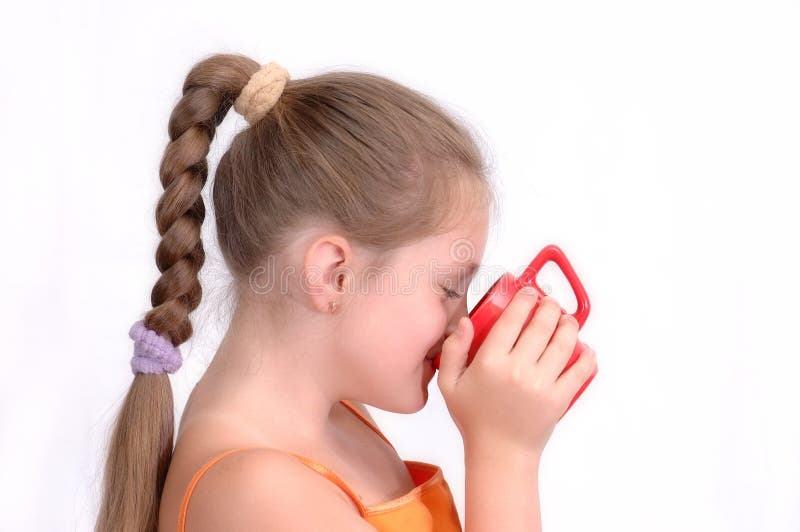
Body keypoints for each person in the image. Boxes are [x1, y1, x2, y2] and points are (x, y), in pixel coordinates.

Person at [94, 55, 597, 532]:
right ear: (334, 275)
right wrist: (506, 454)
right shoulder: (257, 495)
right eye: (449, 288)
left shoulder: (337, 419)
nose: (462, 323)